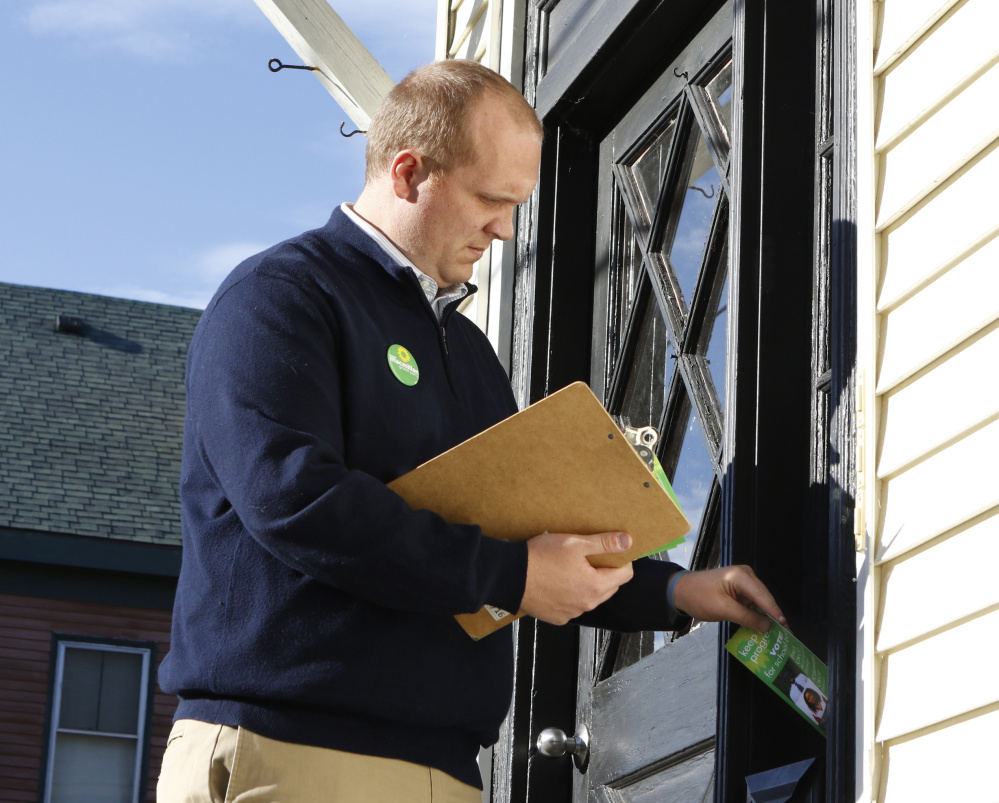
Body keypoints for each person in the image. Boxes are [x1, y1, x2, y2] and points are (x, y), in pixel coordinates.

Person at [156, 59, 785, 803]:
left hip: (447, 767)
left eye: (517, 203)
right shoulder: (279, 297)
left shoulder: (468, 350)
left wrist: (677, 588)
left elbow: (518, 535)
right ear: (407, 171)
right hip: (294, 750)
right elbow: (294, 500)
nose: (507, 228)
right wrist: (517, 574)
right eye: (491, 198)